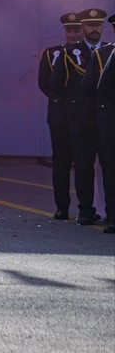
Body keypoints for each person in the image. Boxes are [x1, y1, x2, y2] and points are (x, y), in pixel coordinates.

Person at [54, 7, 108, 226]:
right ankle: (86, 210)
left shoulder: (110, 51)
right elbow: (55, 86)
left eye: (98, 25)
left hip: (106, 120)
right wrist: (72, 111)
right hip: (81, 119)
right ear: (83, 27)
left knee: (110, 168)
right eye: (90, 25)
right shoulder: (68, 54)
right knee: (84, 167)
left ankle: (111, 212)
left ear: (103, 27)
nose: (94, 29)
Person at [39, 12, 84, 219]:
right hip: (59, 116)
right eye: (69, 31)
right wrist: (64, 102)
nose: (73, 35)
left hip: (83, 116)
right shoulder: (51, 54)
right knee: (61, 162)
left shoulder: (91, 53)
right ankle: (62, 206)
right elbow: (44, 84)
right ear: (64, 32)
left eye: (77, 30)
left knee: (84, 163)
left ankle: (87, 208)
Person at [82, 13, 114, 233]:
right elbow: (88, 87)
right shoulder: (103, 54)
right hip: (110, 122)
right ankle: (112, 217)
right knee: (111, 170)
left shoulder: (105, 53)